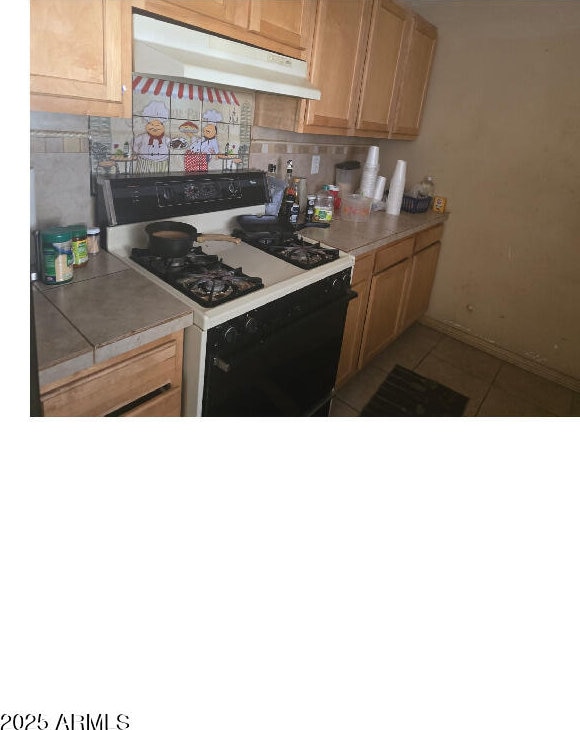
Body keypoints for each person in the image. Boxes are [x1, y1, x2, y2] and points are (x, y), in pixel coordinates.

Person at [133, 101, 170, 173]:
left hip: (162, 162)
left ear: (162, 126)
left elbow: (171, 145)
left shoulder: (165, 138)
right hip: (144, 161)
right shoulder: (143, 136)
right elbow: (134, 142)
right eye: (152, 124)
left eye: (157, 125)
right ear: (147, 125)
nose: (154, 127)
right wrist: (137, 151)